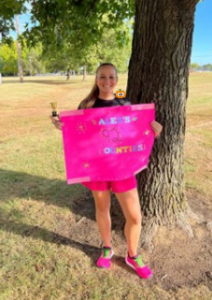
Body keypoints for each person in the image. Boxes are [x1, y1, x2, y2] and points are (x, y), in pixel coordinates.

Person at [50, 63, 162, 279]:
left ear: (116, 80)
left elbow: (134, 130)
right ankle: (107, 248)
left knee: (135, 217)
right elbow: (78, 130)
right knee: (102, 209)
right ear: (96, 79)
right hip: (97, 167)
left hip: (122, 168)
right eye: (102, 77)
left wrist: (152, 131)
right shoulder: (87, 103)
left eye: (111, 77)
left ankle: (132, 255)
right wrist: (61, 126)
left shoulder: (123, 101)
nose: (107, 81)